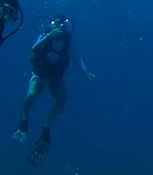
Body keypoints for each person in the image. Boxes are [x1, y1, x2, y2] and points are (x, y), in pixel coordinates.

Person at [12, 14, 95, 165]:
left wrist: (86, 71)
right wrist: (48, 36)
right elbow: (34, 49)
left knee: (62, 99)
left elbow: (76, 56)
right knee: (31, 94)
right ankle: (24, 120)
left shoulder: (68, 41)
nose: (58, 28)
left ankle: (46, 127)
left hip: (55, 77)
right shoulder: (45, 35)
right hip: (39, 74)